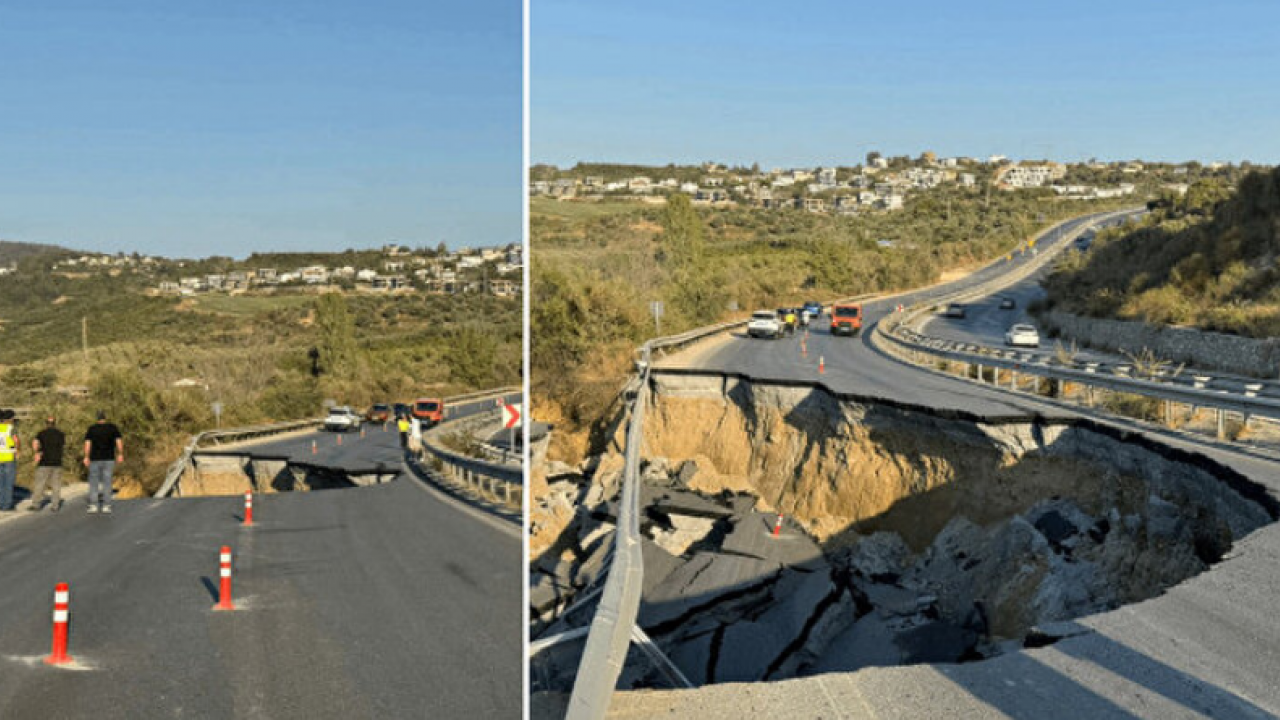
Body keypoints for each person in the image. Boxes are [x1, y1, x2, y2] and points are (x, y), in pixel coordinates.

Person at [83, 411, 123, 514]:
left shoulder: (92, 429)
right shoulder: (112, 428)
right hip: (109, 458)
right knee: (107, 482)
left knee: (94, 482)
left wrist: (86, 457)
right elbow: (118, 441)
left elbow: (87, 444)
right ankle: (106, 506)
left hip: (94, 459)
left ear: (97, 419)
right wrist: (120, 454)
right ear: (105, 418)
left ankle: (94, 505)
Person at [29, 415, 66, 512]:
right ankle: (55, 505)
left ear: (46, 423)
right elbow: (62, 446)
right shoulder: (61, 434)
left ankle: (36, 505)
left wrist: (37, 452)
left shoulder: (41, 433)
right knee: (56, 485)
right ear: (55, 423)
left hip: (44, 462)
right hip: (57, 462)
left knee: (40, 484)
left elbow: (34, 443)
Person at [0, 409, 18, 512]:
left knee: (1, 482)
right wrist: (16, 450)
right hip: (9, 457)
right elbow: (15, 441)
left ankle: (1, 503)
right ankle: (8, 504)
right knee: (9, 482)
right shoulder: (10, 428)